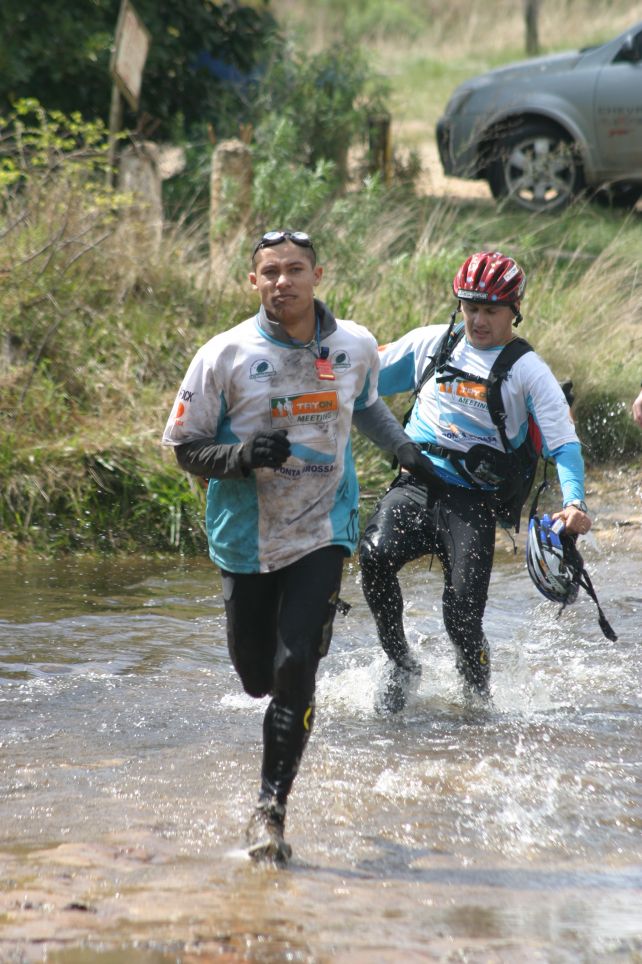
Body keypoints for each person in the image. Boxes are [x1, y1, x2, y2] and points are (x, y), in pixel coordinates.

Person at [162, 229, 435, 865]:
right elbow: (184, 446)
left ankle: (270, 813)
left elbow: (365, 405)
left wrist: (404, 452)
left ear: (318, 276)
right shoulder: (224, 354)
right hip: (246, 536)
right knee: (258, 677)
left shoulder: (355, 345)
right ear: (253, 283)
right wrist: (238, 456)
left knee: (294, 671)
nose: (283, 282)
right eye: (270, 272)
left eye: (295, 270)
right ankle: (290, 662)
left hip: (324, 531)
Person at [359, 250, 592, 713]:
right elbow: (359, 381)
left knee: (463, 617)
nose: (478, 320)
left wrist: (575, 502)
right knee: (373, 557)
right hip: (416, 485)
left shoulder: (528, 370)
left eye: (491, 310)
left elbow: (564, 445)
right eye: (470, 307)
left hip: (474, 502)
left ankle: (478, 704)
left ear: (514, 310)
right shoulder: (431, 344)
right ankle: (402, 661)